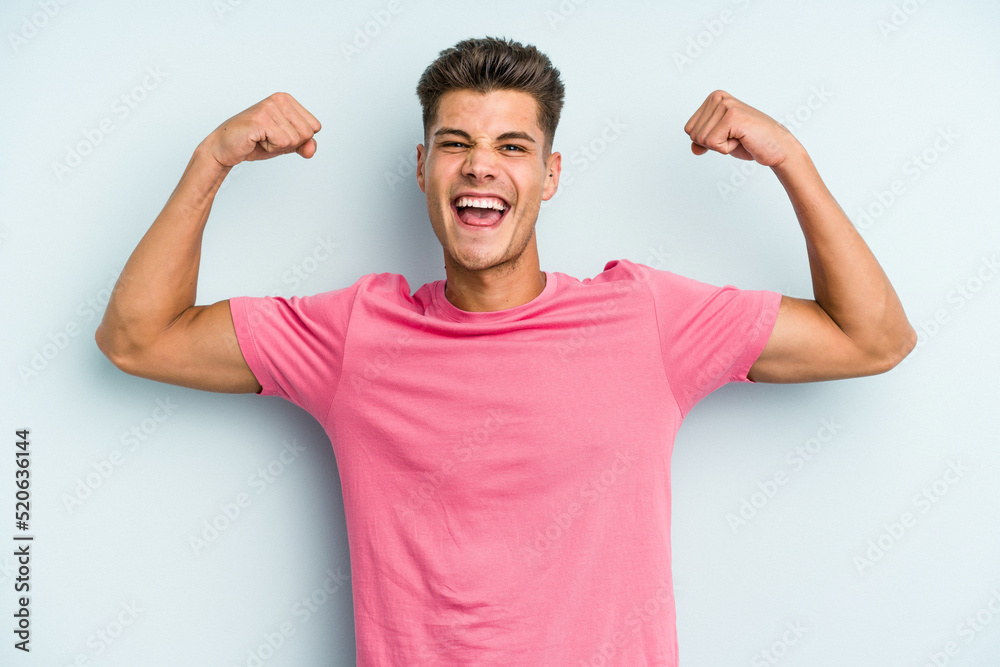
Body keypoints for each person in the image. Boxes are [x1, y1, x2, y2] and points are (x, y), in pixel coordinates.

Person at [96, 36, 915, 666]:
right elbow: (137, 337)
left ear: (550, 173)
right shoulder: (354, 335)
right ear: (422, 168)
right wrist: (214, 159)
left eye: (512, 146)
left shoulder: (644, 319)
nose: (480, 165)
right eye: (455, 143)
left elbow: (874, 337)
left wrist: (789, 161)